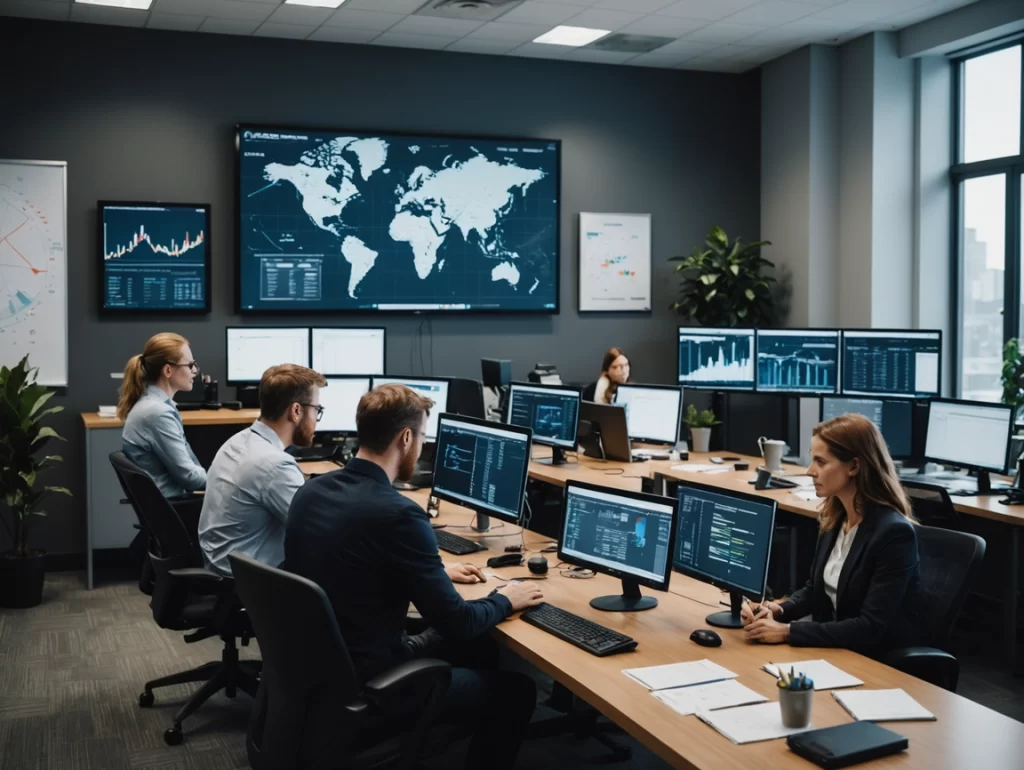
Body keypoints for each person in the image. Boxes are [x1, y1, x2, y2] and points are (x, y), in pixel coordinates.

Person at [285, 384, 543, 770]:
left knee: (479, 649)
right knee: (518, 690)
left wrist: (434, 572)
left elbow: (362, 569)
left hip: (322, 666)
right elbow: (457, 622)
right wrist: (507, 598)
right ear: (406, 438)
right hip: (375, 678)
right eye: (423, 436)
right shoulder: (400, 514)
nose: (423, 447)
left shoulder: (311, 491)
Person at [742, 414, 921, 659]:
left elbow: (870, 628)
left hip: (876, 660)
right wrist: (777, 610)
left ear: (854, 466)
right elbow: (814, 590)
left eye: (821, 462)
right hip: (834, 648)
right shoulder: (836, 518)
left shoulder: (893, 533)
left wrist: (787, 632)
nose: (809, 471)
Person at [198, 364, 325, 577]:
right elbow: (318, 532)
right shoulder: (276, 466)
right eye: (317, 410)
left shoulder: (237, 441)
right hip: (249, 581)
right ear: (296, 411)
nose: (317, 419)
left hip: (221, 564)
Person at [119, 333, 207, 500]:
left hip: (170, 504)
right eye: (190, 365)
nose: (195, 370)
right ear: (168, 370)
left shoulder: (156, 406)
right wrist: (228, 484)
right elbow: (190, 478)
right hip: (176, 508)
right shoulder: (157, 413)